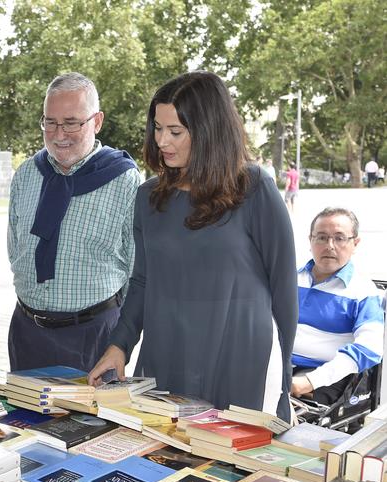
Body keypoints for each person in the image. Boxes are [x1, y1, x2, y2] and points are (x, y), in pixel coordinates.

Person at [88, 71, 298, 421]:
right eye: (157, 128)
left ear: (208, 131)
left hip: (240, 360)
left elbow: (284, 288)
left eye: (175, 132)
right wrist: (119, 345)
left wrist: (285, 375)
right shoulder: (147, 197)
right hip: (167, 355)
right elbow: (141, 281)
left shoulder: (255, 188)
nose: (161, 141)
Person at [7, 72, 140, 373]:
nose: (58, 134)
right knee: (23, 421)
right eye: (50, 122)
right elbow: (15, 251)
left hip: (94, 337)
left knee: (93, 423)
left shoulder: (124, 180)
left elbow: (137, 273)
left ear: (97, 121)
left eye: (71, 123)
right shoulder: (27, 174)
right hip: (27, 334)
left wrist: (122, 342)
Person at [291, 208, 384, 406]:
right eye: (322, 238)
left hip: (325, 375)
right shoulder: (288, 279)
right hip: (278, 366)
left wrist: (310, 381)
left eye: (340, 238)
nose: (330, 246)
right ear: (311, 240)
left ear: (355, 243)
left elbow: (370, 348)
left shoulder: (363, 292)